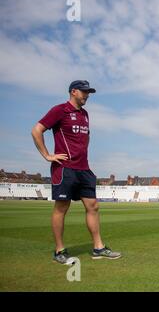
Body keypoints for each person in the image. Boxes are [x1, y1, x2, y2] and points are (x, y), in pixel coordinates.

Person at [31, 80, 121, 264]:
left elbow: (87, 136)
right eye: (84, 92)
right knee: (62, 207)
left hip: (84, 168)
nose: (87, 95)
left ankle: (98, 248)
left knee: (93, 206)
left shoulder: (85, 114)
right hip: (65, 168)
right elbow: (37, 130)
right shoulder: (60, 110)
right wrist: (47, 155)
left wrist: (83, 154)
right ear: (74, 92)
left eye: (88, 92)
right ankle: (59, 251)